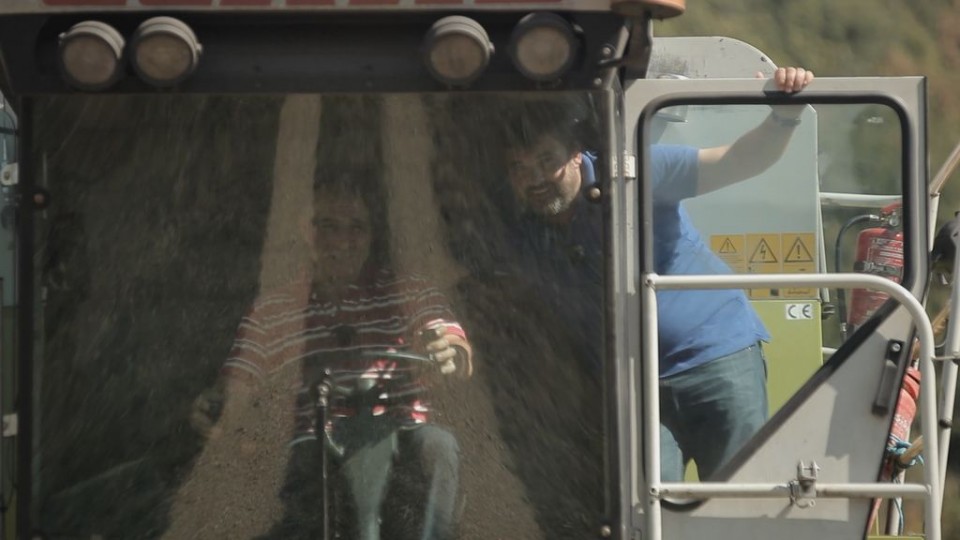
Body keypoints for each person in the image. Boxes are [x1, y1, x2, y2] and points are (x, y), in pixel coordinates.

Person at [502, 67, 814, 482]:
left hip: (716, 359)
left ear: (575, 152)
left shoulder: (635, 170)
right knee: (648, 512)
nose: (537, 178)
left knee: (739, 501)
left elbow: (736, 161)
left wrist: (783, 115)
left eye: (546, 160)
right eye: (521, 169)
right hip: (632, 386)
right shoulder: (519, 237)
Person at [187, 175, 472, 540]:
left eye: (356, 227)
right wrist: (219, 406)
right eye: (327, 226)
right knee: (298, 473)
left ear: (372, 234)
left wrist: (448, 350)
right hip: (315, 441)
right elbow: (240, 381)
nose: (342, 240)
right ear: (305, 231)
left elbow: (448, 337)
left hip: (402, 434)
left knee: (438, 447)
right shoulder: (273, 309)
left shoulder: (409, 290)